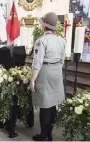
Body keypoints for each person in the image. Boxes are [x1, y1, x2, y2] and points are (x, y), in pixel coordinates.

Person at [30, 12, 65, 141]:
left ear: (44, 27)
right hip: (57, 72)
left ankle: (43, 135)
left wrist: (32, 79)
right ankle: (49, 134)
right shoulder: (61, 40)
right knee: (53, 105)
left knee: (44, 105)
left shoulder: (41, 41)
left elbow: (37, 62)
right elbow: (62, 60)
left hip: (45, 73)